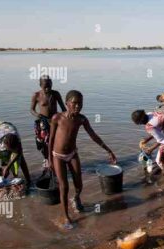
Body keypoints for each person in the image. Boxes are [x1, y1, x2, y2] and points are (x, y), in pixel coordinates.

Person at [49, 90, 117, 230]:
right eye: (74, 103)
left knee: (79, 183)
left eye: (80, 103)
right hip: (58, 156)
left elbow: (93, 135)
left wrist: (108, 150)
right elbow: (50, 141)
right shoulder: (57, 118)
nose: (78, 106)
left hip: (72, 154)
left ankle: (76, 198)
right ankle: (66, 216)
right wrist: (49, 159)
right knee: (64, 186)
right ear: (67, 103)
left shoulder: (81, 119)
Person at [131, 108, 164, 175]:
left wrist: (150, 149)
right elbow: (158, 129)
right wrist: (147, 139)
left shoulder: (149, 127)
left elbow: (162, 140)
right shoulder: (149, 114)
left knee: (163, 151)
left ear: (140, 122)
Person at [30, 75, 66, 172]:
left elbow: (63, 108)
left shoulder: (55, 94)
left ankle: (56, 159)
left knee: (56, 141)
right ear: (40, 85)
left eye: (49, 85)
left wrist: (65, 118)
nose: (48, 88)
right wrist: (38, 115)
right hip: (43, 121)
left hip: (55, 120)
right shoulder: (36, 95)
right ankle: (46, 159)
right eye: (45, 86)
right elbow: (31, 109)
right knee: (43, 143)